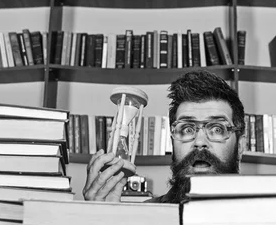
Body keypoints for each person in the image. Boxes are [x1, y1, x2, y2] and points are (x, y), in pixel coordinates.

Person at [82, 70, 246, 204]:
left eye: (217, 129)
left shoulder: (266, 214)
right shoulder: (146, 216)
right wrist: (102, 216)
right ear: (172, 141)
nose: (200, 142)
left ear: (240, 147)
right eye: (187, 129)